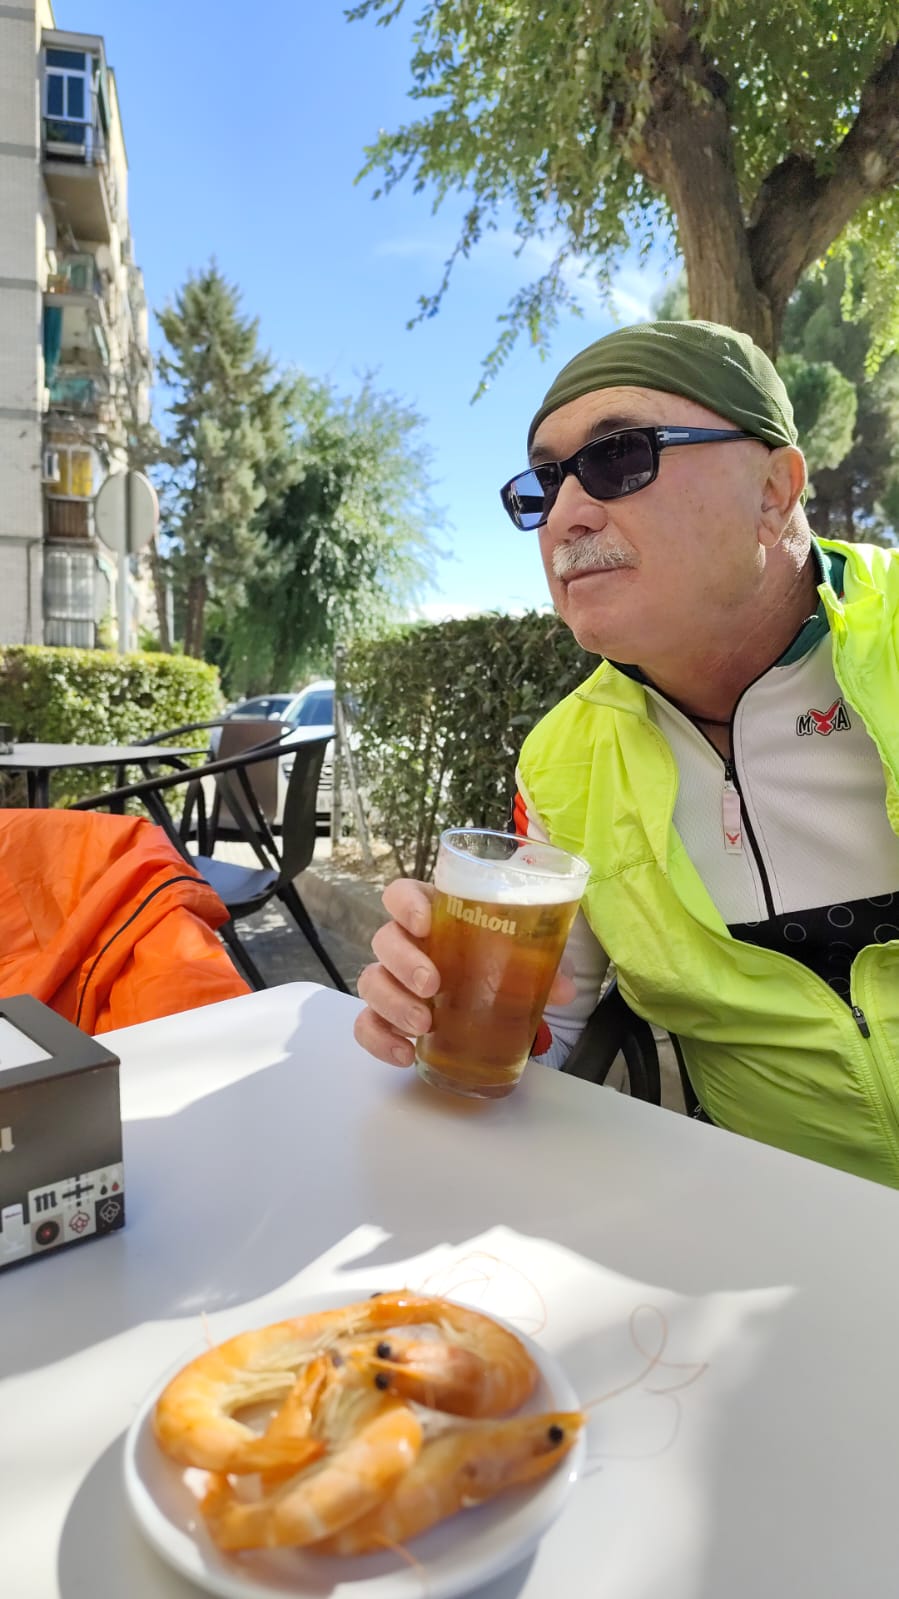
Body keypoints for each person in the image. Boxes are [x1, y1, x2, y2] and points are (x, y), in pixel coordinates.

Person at [354, 319, 899, 1188]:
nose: (566, 515)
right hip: (767, 1221)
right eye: (543, 482)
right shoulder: (560, 759)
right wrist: (432, 1012)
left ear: (772, 490)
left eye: (620, 456)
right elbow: (548, 1036)